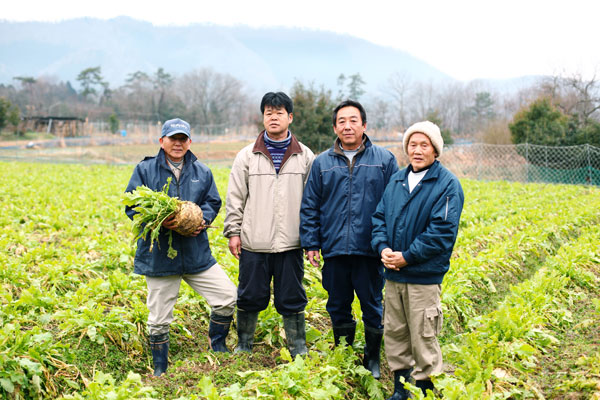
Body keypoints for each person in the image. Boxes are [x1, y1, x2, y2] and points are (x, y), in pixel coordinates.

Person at [125, 118, 237, 377]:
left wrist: (202, 220)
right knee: (159, 317)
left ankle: (217, 343)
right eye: (172, 138)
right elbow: (132, 206)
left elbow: (213, 201)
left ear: (189, 142)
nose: (178, 143)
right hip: (160, 257)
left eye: (182, 139)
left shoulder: (202, 171)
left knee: (227, 296)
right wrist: (160, 219)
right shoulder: (145, 170)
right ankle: (160, 367)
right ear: (161, 141)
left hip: (196, 254)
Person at [300, 100, 399, 378]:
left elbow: (394, 205)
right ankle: (343, 351)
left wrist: (388, 243)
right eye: (342, 121)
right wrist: (311, 242)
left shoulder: (384, 160)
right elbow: (310, 205)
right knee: (337, 304)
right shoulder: (322, 163)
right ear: (335, 127)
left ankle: (372, 358)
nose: (348, 125)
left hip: (370, 250)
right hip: (334, 249)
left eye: (353, 120)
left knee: (372, 303)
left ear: (364, 125)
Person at [371, 121, 464, 398]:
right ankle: (401, 390)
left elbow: (442, 233)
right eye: (412, 144)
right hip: (394, 276)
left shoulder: (447, 185)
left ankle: (425, 391)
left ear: (435, 149)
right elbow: (378, 219)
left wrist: (408, 257)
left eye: (424, 145)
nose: (417, 150)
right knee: (396, 334)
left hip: (423, 278)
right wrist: (383, 248)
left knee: (424, 337)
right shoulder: (397, 181)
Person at [223, 92, 315, 357]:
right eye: (268, 113)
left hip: (291, 242)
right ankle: (244, 344)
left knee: (292, 297)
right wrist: (233, 232)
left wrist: (311, 239)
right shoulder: (247, 156)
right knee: (250, 295)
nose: (273, 118)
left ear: (290, 117)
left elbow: (312, 201)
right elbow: (236, 196)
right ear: (263, 117)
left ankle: (298, 346)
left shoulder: (305, 156)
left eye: (279, 113)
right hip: (255, 241)